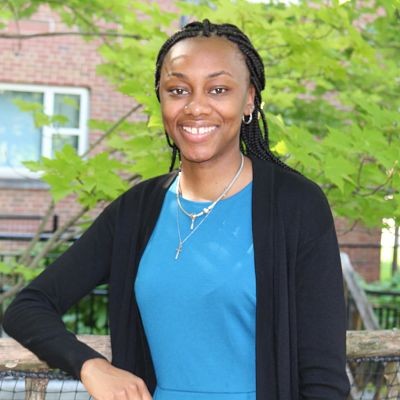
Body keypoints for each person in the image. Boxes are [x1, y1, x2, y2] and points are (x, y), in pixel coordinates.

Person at [3, 19, 350, 400]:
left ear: (249, 98)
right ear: (162, 99)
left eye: (218, 89)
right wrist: (91, 365)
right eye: (178, 90)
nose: (196, 107)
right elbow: (27, 308)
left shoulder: (295, 205)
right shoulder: (137, 211)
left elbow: (324, 380)